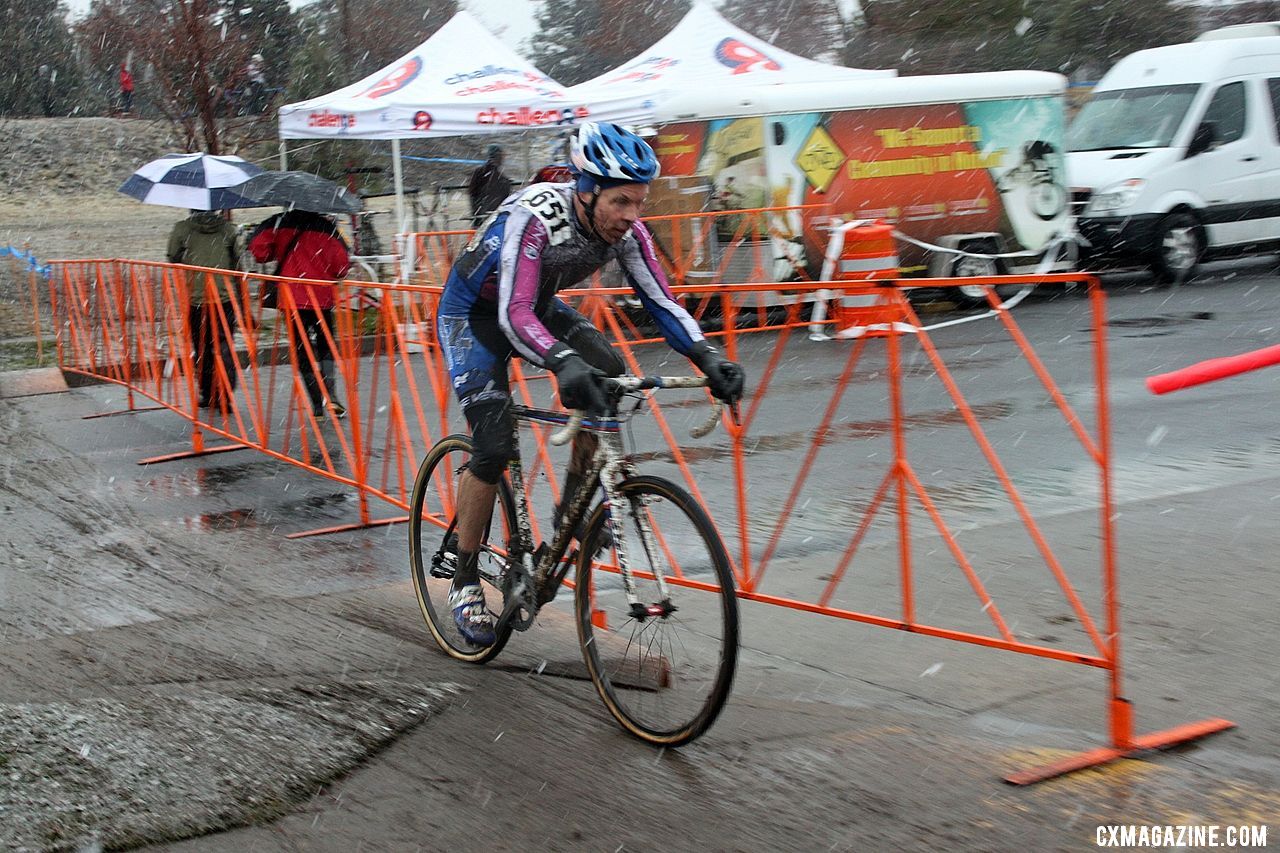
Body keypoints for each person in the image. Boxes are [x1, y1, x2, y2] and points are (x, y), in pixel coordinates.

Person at [436, 122, 746, 646]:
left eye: (639, 203)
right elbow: (511, 314)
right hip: (475, 316)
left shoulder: (627, 232)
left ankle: (571, 512)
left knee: (611, 378)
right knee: (492, 442)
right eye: (621, 201)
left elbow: (662, 302)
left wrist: (707, 355)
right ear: (586, 190)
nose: (631, 216)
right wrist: (561, 362)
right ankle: (465, 580)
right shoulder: (531, 218)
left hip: (534, 306)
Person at [248, 210, 353, 418]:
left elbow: (259, 253)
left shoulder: (280, 222)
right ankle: (331, 395)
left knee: (301, 349)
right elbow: (342, 267)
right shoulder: (328, 228)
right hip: (321, 297)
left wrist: (275, 237)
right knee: (326, 345)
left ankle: (316, 404)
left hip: (292, 298)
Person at [167, 210, 241, 408]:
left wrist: (191, 260)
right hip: (223, 298)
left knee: (202, 348)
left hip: (197, 298)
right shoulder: (228, 229)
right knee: (223, 345)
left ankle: (208, 392)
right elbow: (238, 263)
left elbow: (172, 256)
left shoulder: (183, 228)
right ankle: (225, 392)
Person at [467, 144, 514, 226]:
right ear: (497, 156)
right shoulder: (496, 177)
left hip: (486, 216)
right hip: (489, 217)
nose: (503, 159)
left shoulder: (499, 177)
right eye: (501, 155)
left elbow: (473, 194)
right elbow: (474, 194)